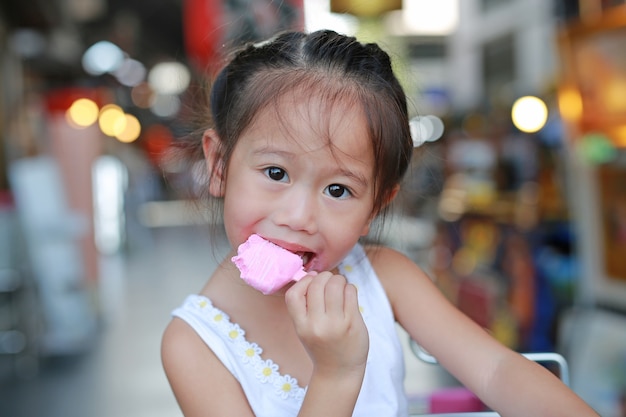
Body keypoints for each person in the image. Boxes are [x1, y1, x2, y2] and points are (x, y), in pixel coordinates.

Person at [161, 29, 598, 417]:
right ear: (219, 165)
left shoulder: (383, 277)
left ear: (374, 207)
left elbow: (496, 370)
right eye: (275, 173)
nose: (298, 217)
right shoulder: (195, 345)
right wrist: (337, 373)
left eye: (338, 190)